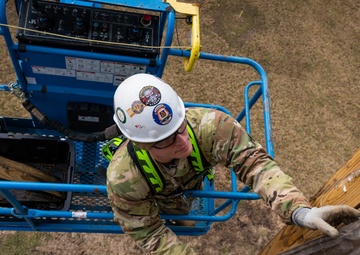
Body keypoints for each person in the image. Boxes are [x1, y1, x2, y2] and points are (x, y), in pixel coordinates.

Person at [106, 73, 360, 254]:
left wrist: (299, 210)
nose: (184, 143)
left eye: (182, 127)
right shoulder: (124, 179)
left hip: (185, 186)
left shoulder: (211, 127)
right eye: (167, 141)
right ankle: (179, 215)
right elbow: (148, 232)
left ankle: (183, 215)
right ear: (141, 145)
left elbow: (254, 163)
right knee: (174, 215)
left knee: (184, 213)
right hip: (158, 198)